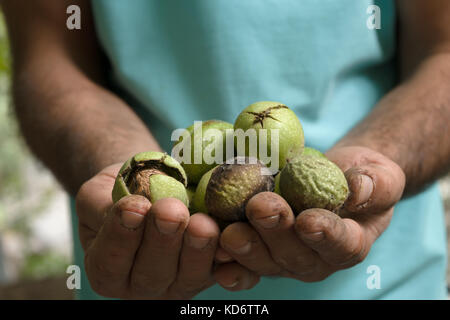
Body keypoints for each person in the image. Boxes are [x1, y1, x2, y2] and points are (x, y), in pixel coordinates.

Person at [2, 0, 449, 300]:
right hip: (136, 272)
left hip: (388, 284)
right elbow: (50, 56)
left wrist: (377, 160)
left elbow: (443, 49)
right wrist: (111, 157)